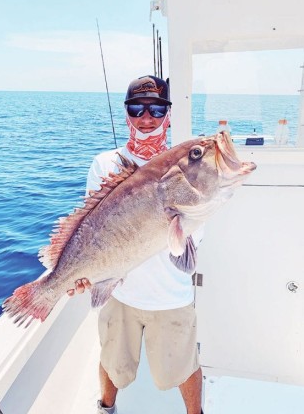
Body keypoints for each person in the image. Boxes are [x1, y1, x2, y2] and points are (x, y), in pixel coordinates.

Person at [67, 75, 204, 414]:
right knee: (112, 362)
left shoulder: (183, 166)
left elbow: (191, 239)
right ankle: (105, 408)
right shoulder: (105, 165)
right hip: (119, 293)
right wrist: (85, 274)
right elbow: (90, 231)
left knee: (184, 367)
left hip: (170, 295)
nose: (147, 117)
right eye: (137, 108)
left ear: (168, 114)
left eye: (157, 109)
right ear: (126, 113)